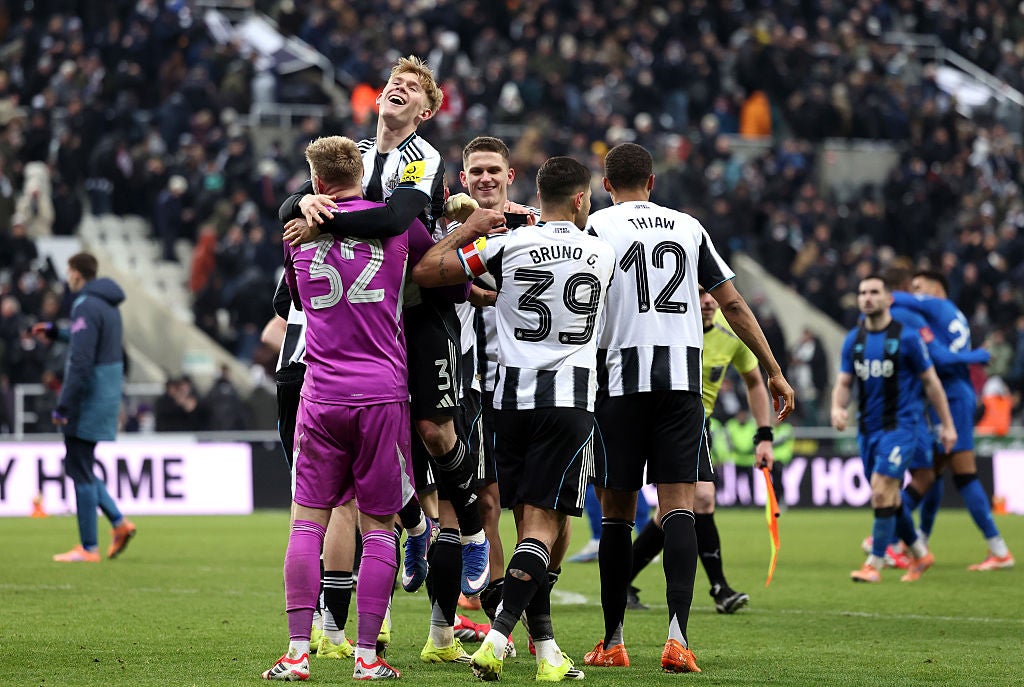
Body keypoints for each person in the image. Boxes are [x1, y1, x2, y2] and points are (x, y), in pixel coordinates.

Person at [278, 55, 490, 599]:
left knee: (434, 431)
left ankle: (471, 537)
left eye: (413, 88)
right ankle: (416, 526)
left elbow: (395, 221)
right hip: (369, 315)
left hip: (420, 305)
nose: (400, 87)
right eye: (395, 82)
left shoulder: (423, 156)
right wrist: (302, 200)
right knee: (380, 441)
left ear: (423, 111)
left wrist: (320, 217)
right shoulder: (355, 154)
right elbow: (288, 205)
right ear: (379, 98)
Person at [582, 143, 794, 674]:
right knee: (680, 506)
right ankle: (677, 640)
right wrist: (772, 368)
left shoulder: (597, 228)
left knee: (617, 514)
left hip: (619, 383)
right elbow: (734, 304)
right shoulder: (687, 226)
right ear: (652, 182)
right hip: (681, 387)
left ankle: (612, 642)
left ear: (607, 185)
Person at [412, 155, 614, 682]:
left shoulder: (505, 245)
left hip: (508, 402)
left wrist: (466, 238)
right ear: (579, 199)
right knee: (545, 526)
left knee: (524, 521)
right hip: (569, 402)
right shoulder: (601, 251)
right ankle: (500, 637)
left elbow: (427, 271)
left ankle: (546, 649)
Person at [261, 135, 445, 681]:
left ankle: (297, 653)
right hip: (382, 394)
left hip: (320, 395)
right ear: (363, 175)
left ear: (316, 183)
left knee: (306, 524)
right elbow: (433, 261)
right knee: (381, 526)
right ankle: (367, 657)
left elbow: (290, 298)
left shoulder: (297, 234)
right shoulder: (394, 223)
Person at [625, 285, 779, 615]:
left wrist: (764, 434)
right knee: (680, 506)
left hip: (697, 422)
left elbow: (754, 380)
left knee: (688, 505)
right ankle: (718, 587)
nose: (708, 301)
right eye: (698, 293)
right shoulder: (665, 325)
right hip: (655, 416)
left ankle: (716, 587)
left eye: (711, 293)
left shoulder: (730, 333)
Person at [830, 275, 956, 584]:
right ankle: (919, 552)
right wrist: (837, 407)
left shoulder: (908, 338)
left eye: (874, 292)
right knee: (889, 496)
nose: (867, 297)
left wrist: (947, 425)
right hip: (868, 430)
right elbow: (844, 381)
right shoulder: (853, 340)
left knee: (881, 486)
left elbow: (931, 383)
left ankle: (874, 562)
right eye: (862, 292)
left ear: (888, 299)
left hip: (903, 426)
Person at [895, 270, 1014, 570]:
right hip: (945, 397)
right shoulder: (949, 317)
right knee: (932, 472)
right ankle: (913, 540)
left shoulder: (938, 310)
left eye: (920, 289)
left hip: (953, 397)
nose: (916, 296)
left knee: (961, 472)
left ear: (936, 288)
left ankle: (998, 550)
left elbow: (940, 357)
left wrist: (878, 296)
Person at [32, 253, 136, 562]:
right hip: (106, 395)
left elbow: (80, 360)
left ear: (77, 273)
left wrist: (64, 405)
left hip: (87, 398)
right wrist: (56, 332)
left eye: (68, 271)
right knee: (82, 465)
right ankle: (119, 523)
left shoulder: (85, 305)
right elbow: (87, 341)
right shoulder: (107, 305)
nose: (67, 277)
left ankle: (88, 547)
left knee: (78, 467)